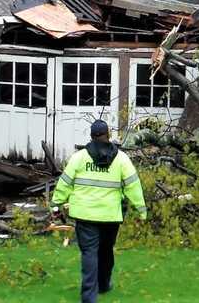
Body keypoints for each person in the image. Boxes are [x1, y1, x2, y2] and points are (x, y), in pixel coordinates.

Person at [51, 119, 147, 303]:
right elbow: (133, 186)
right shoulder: (121, 159)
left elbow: (64, 183)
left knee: (89, 253)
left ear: (91, 136)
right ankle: (103, 284)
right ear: (108, 135)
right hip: (111, 216)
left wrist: (55, 204)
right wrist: (141, 211)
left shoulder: (79, 158)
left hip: (85, 215)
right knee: (106, 250)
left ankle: (89, 297)